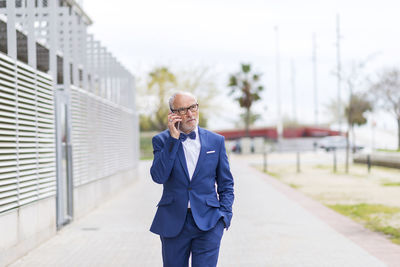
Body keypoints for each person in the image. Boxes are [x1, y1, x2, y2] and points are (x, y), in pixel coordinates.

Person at [150, 92, 234, 267]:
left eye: (193, 107)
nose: (189, 114)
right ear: (172, 114)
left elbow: (226, 184)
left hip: (209, 222)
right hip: (173, 223)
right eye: (182, 110)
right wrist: (173, 141)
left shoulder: (216, 141)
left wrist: (224, 216)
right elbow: (159, 177)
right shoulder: (161, 140)